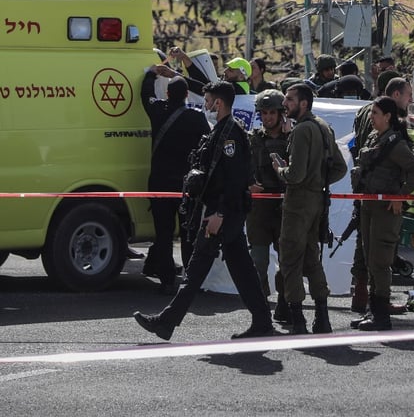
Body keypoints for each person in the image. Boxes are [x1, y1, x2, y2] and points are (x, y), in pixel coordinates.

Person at [134, 81, 273, 341]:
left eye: (208, 100)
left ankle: (166, 322)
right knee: (242, 270)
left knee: (196, 269)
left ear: (218, 103)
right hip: (224, 211)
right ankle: (263, 321)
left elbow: (232, 180)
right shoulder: (223, 130)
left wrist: (219, 214)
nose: (205, 105)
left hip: (223, 213)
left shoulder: (229, 134)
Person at [273, 83, 348, 334]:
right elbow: (340, 168)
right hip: (317, 201)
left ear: (303, 103)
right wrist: (319, 182)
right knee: (311, 259)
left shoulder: (303, 129)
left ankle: (298, 319)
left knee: (290, 259)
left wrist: (279, 170)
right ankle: (322, 317)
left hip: (298, 203)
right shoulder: (323, 126)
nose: (285, 104)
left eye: (290, 100)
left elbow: (295, 175)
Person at [351, 96, 414, 330]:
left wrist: (400, 196)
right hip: (369, 207)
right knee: (370, 260)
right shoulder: (376, 138)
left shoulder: (395, 143)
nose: (371, 117)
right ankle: (373, 311)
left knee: (380, 263)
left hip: (385, 211)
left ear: (388, 116)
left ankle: (381, 317)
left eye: (375, 113)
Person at [141, 68, 210, 295]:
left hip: (159, 183)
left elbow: (146, 95)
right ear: (187, 96)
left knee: (163, 234)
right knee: (188, 234)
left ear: (168, 94)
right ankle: (189, 280)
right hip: (186, 186)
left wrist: (151, 75)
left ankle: (166, 279)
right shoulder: (197, 117)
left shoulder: (157, 110)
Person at [246, 89, 291, 322]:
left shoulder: (293, 138)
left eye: (272, 112)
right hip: (259, 210)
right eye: (263, 113)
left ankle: (284, 302)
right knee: (258, 261)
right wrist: (248, 185)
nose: (267, 117)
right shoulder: (252, 139)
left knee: (286, 262)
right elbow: (242, 168)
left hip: (285, 208)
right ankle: (261, 307)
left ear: (282, 113)